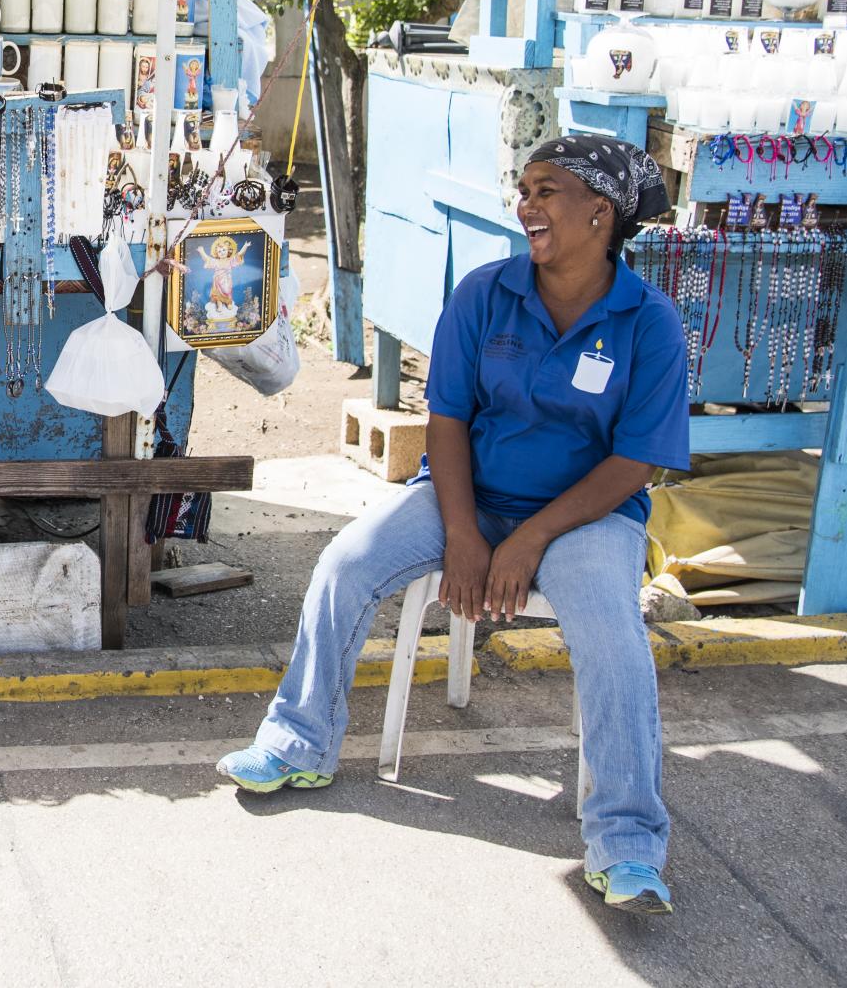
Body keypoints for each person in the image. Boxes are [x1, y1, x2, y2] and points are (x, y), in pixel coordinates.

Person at [216, 135, 689, 918]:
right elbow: (447, 420)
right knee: (344, 562)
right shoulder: (485, 292)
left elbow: (635, 462)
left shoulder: (649, 322)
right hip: (469, 492)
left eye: (546, 191)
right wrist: (467, 536)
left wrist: (529, 538)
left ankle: (628, 842)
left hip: (586, 517)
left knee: (612, 630)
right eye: (523, 188)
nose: (525, 206)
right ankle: (297, 739)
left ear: (600, 212)